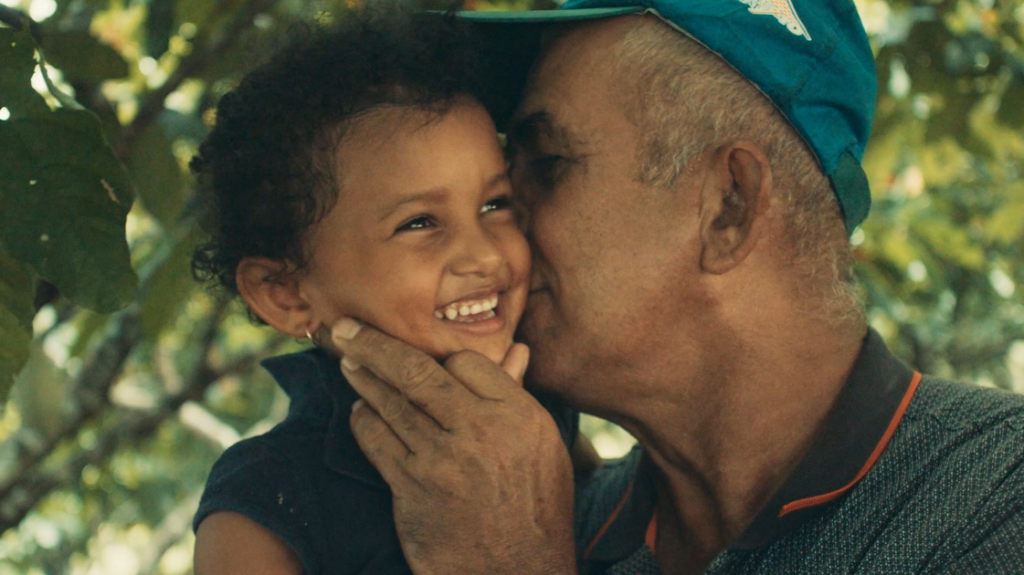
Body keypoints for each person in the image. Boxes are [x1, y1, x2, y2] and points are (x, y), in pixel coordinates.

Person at [329, 1, 1024, 574]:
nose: (498, 222)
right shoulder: (548, 512)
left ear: (729, 206)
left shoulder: (996, 500)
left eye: (544, 162)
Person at [186, 10, 591, 575]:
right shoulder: (267, 495)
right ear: (284, 293)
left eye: (494, 205)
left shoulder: (540, 407)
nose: (486, 255)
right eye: (420, 222)